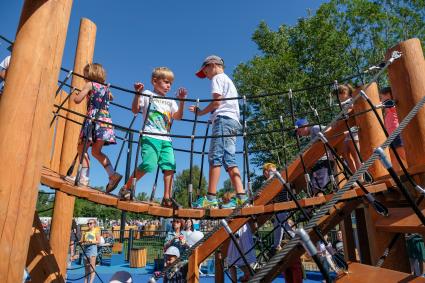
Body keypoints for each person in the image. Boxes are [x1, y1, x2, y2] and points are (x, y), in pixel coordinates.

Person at [113, 67, 187, 207]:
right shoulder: (147, 94)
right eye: (166, 82)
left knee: (170, 165)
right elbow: (135, 110)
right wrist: (137, 94)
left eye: (170, 83)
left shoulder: (171, 101)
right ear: (154, 81)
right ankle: (126, 187)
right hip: (150, 135)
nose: (168, 86)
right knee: (149, 164)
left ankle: (167, 198)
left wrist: (181, 101)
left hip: (166, 139)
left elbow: (178, 117)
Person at [190, 55, 246, 208]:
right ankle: (242, 197)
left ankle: (211, 198)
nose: (206, 76)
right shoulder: (228, 80)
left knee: (215, 156)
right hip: (233, 121)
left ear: (213, 65)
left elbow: (217, 102)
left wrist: (201, 113)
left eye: (205, 71)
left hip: (223, 120)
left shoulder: (217, 78)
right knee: (229, 159)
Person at [64, 63, 122, 191]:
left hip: (93, 120)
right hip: (106, 122)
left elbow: (78, 99)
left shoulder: (90, 84)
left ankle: (83, 178)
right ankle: (112, 175)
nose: (84, 77)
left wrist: (74, 94)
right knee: (96, 151)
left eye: (85, 75)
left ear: (90, 74)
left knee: (81, 147)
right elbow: (111, 97)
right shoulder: (106, 89)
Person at [295, 118, 333, 196]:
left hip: (324, 161)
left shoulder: (315, 128)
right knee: (315, 187)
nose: (299, 134)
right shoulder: (312, 134)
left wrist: (321, 143)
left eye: (299, 131)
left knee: (317, 188)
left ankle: (321, 204)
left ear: (304, 126)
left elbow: (330, 130)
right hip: (321, 162)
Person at [224, 193, 256, 282]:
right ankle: (248, 276)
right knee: (232, 262)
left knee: (238, 261)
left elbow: (253, 226)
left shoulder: (242, 209)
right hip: (236, 235)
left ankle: (250, 275)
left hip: (241, 234)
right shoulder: (230, 210)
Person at [334, 84, 362, 175]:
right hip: (347, 131)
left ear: (347, 93)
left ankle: (360, 177)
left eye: (342, 93)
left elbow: (353, 109)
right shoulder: (343, 104)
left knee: (356, 155)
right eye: (338, 94)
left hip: (353, 130)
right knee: (345, 154)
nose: (340, 95)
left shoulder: (351, 101)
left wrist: (343, 115)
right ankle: (355, 174)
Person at [379, 86, 407, 172]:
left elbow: (385, 104)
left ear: (389, 95)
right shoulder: (387, 106)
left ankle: (414, 167)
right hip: (391, 135)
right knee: (393, 156)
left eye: (382, 96)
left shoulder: (391, 103)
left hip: (396, 132)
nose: (381, 98)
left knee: (402, 153)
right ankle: (396, 177)